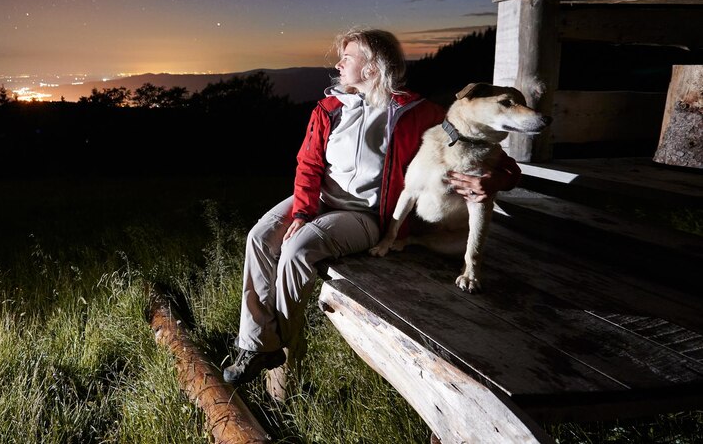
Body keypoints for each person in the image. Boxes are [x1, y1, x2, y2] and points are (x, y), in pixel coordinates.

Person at [222, 28, 521, 386]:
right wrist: (302, 212)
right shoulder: (330, 108)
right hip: (320, 199)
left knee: (297, 249)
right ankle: (255, 345)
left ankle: (280, 347)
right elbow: (309, 165)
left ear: (373, 67)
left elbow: (502, 162)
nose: (338, 63)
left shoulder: (421, 113)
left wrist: (495, 180)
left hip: (367, 216)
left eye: (347, 57)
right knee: (260, 237)